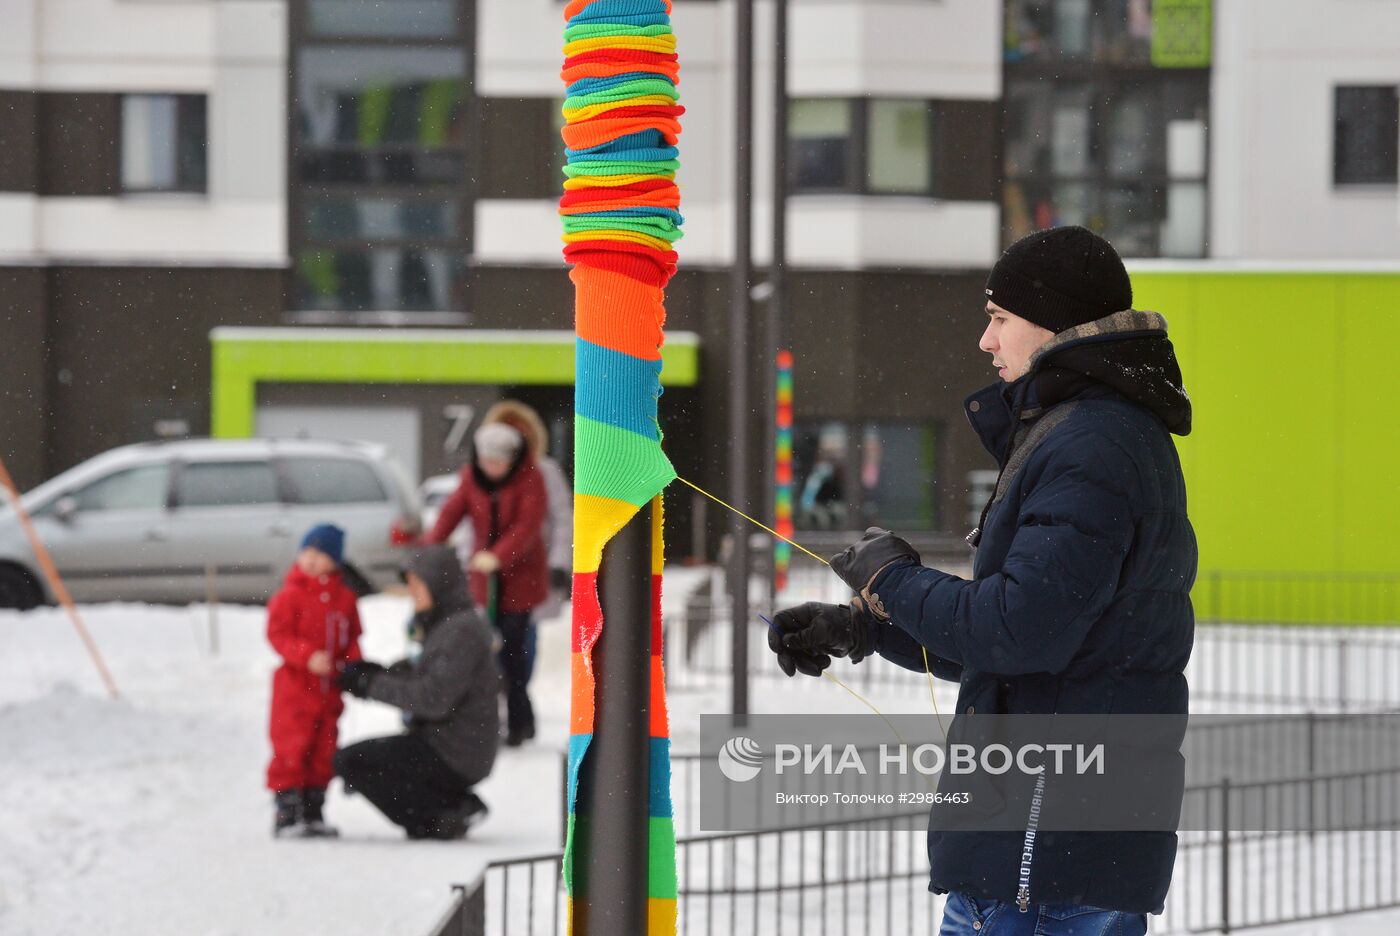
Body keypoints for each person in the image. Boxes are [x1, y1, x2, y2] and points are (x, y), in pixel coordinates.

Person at [768, 226, 1195, 934]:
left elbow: (1017, 630)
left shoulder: (1092, 442)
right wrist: (863, 628)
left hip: (1042, 855)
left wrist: (893, 578)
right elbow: (1026, 642)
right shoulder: (1091, 431)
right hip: (1055, 849)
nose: (985, 341)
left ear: (1055, 325)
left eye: (999, 319)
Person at [334, 546, 500, 839]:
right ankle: (449, 804)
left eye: (417, 585)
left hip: (456, 752)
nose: (412, 593)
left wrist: (370, 685)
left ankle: (439, 816)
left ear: (439, 584)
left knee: (353, 762)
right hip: (445, 743)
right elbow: (423, 671)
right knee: (366, 759)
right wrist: (377, 674)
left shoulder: (460, 630)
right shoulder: (446, 622)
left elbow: (433, 698)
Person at [425, 422, 548, 746]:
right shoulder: (471, 478)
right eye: (485, 461)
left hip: (520, 582)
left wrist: (499, 555)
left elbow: (528, 526)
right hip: (484, 582)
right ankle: (486, 721)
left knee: (513, 655)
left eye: (497, 462)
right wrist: (429, 549)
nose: (490, 468)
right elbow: (450, 514)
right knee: (484, 655)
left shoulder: (530, 479)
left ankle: (521, 720)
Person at [265, 523, 362, 839]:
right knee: (292, 747)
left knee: (324, 750)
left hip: (329, 692)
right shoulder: (289, 596)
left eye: (320, 554)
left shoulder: (345, 599)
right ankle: (287, 811)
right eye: (307, 552)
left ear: (334, 560)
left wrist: (352, 666)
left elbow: (353, 638)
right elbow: (277, 634)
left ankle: (314, 809)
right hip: (294, 690)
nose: (311, 559)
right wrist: (305, 656)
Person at [481, 400, 573, 619]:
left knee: (522, 637)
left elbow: (563, 519)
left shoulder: (545, 472)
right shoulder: (485, 474)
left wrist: (559, 563)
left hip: (533, 569)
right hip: (494, 572)